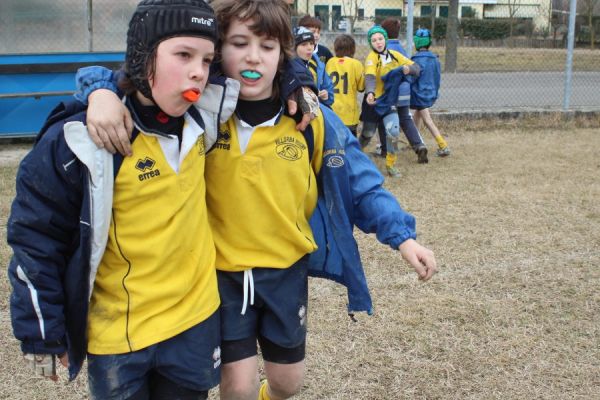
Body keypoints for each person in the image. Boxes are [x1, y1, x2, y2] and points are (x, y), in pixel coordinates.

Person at [77, 1, 438, 399]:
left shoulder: (310, 118)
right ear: (218, 50)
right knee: (238, 387)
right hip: (221, 278)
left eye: (267, 46)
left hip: (285, 273)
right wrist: (100, 93)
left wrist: (403, 238)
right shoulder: (200, 110)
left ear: (282, 53)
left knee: (287, 384)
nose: (253, 57)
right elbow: (136, 79)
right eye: (238, 43)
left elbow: (361, 182)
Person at [6, 1, 226, 398]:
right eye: (183, 54)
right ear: (143, 59)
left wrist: (300, 78)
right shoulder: (79, 141)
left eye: (208, 59)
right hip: (119, 336)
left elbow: (265, 54)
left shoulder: (208, 112)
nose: (199, 70)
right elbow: (36, 238)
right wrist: (40, 333)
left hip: (195, 320)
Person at [360, 25, 429, 177]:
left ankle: (390, 164)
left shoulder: (395, 55)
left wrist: (408, 70)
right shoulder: (371, 58)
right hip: (373, 103)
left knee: (393, 131)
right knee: (367, 133)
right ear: (370, 43)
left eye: (380, 39)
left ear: (385, 39)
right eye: (374, 40)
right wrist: (370, 92)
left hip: (389, 102)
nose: (378, 42)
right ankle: (355, 156)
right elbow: (370, 77)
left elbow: (417, 68)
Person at [410, 28, 450, 157]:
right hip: (430, 94)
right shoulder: (435, 59)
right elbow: (437, 78)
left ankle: (443, 145)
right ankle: (415, 142)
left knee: (427, 120)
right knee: (417, 115)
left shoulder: (415, 60)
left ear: (416, 43)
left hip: (418, 94)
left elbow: (412, 79)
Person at [325, 34, 364, 136]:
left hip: (332, 110)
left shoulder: (330, 62)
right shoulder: (356, 64)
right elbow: (361, 88)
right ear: (353, 49)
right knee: (350, 141)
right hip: (349, 112)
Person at [293, 26, 334, 107]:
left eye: (311, 43)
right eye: (304, 44)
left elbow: (330, 93)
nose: (309, 48)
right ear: (294, 47)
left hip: (317, 110)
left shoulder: (318, 65)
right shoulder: (287, 66)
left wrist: (326, 96)